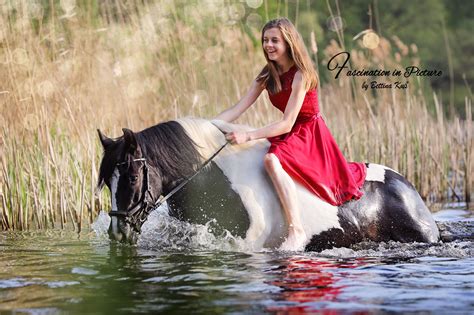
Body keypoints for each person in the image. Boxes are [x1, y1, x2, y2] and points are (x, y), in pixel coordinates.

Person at [215, 18, 366, 251]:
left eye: (275, 40)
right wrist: (209, 125)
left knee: (270, 159)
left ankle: (297, 230)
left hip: (308, 132)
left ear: (289, 43)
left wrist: (248, 136)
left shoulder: (301, 74)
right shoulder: (268, 74)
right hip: (289, 131)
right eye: (265, 40)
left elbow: (287, 123)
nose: (268, 45)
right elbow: (238, 107)